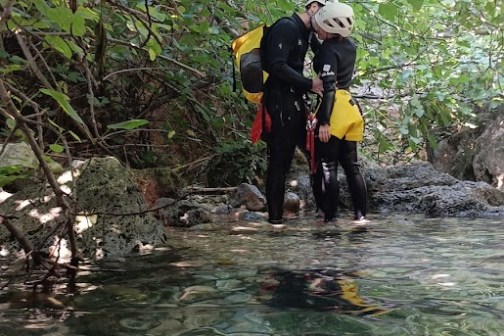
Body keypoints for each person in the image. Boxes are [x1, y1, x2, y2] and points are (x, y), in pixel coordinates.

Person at [262, 0, 325, 224]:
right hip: (279, 102)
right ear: (314, 8)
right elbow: (276, 65)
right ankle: (275, 222)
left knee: (317, 152)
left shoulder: (308, 32)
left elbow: (323, 53)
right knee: (280, 160)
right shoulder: (286, 27)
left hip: (295, 100)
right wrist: (310, 84)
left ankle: (324, 214)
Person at [310, 2, 368, 223]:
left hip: (334, 110)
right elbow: (328, 56)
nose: (316, 28)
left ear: (329, 26)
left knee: (328, 166)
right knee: (352, 168)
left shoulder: (327, 50)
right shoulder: (349, 46)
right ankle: (361, 216)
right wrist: (313, 41)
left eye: (320, 26)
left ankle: (331, 218)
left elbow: (328, 87)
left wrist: (324, 121)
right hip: (351, 109)